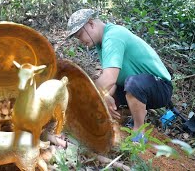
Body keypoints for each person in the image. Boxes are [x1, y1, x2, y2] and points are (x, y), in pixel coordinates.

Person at [66, 9, 173, 142]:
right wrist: (105, 96)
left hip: (160, 87)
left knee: (131, 85)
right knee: (105, 97)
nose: (80, 40)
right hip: (137, 85)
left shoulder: (113, 37)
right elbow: (113, 79)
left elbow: (109, 78)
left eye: (80, 34)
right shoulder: (102, 43)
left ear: (91, 24)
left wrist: (81, 99)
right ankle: (120, 120)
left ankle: (139, 131)